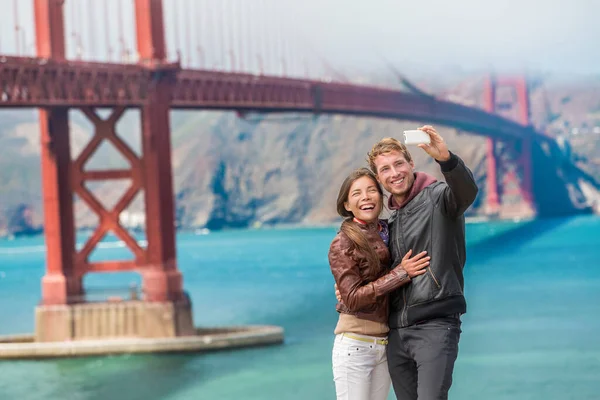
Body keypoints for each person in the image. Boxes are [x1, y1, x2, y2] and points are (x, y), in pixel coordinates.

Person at [367, 125, 478, 400]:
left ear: (411, 163)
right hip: (396, 333)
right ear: (379, 178)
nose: (394, 174)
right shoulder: (387, 220)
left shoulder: (439, 197)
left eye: (398, 164)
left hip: (435, 324)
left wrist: (446, 159)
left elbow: (466, 193)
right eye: (385, 169)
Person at [329, 167, 431, 400]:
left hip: (385, 345)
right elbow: (353, 299)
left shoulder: (390, 231)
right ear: (346, 205)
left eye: (371, 190)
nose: (365, 197)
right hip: (355, 346)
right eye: (356, 193)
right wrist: (400, 274)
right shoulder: (342, 242)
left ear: (381, 197)